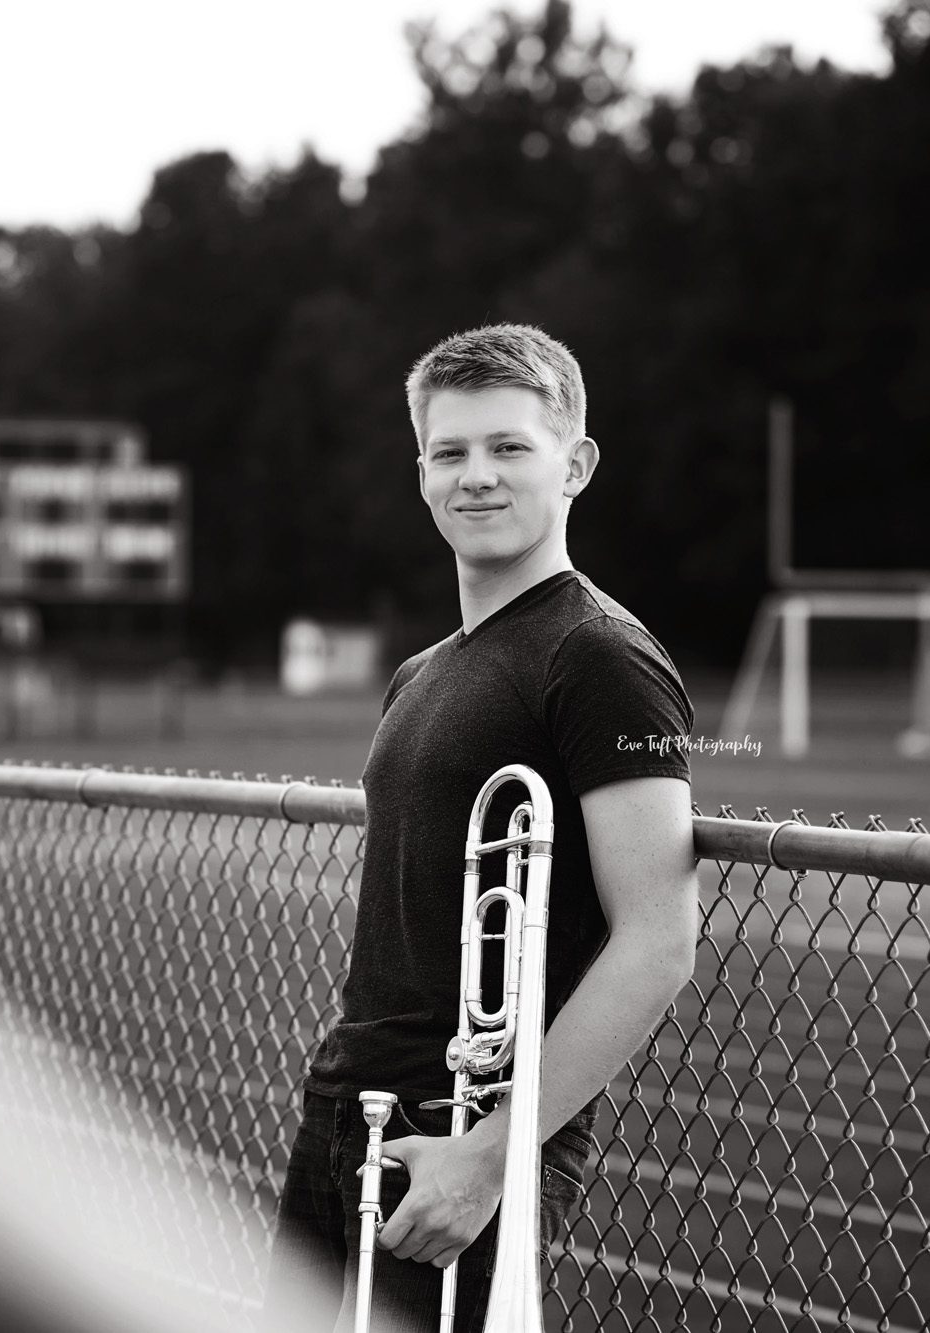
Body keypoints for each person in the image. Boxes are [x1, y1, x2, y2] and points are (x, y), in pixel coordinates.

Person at [264, 324, 701, 1332]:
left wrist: (490, 1153)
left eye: (509, 447)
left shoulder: (599, 657)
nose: (477, 477)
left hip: (465, 1131)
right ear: (419, 473)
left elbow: (657, 939)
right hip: (352, 1109)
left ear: (574, 465)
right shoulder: (420, 673)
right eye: (449, 452)